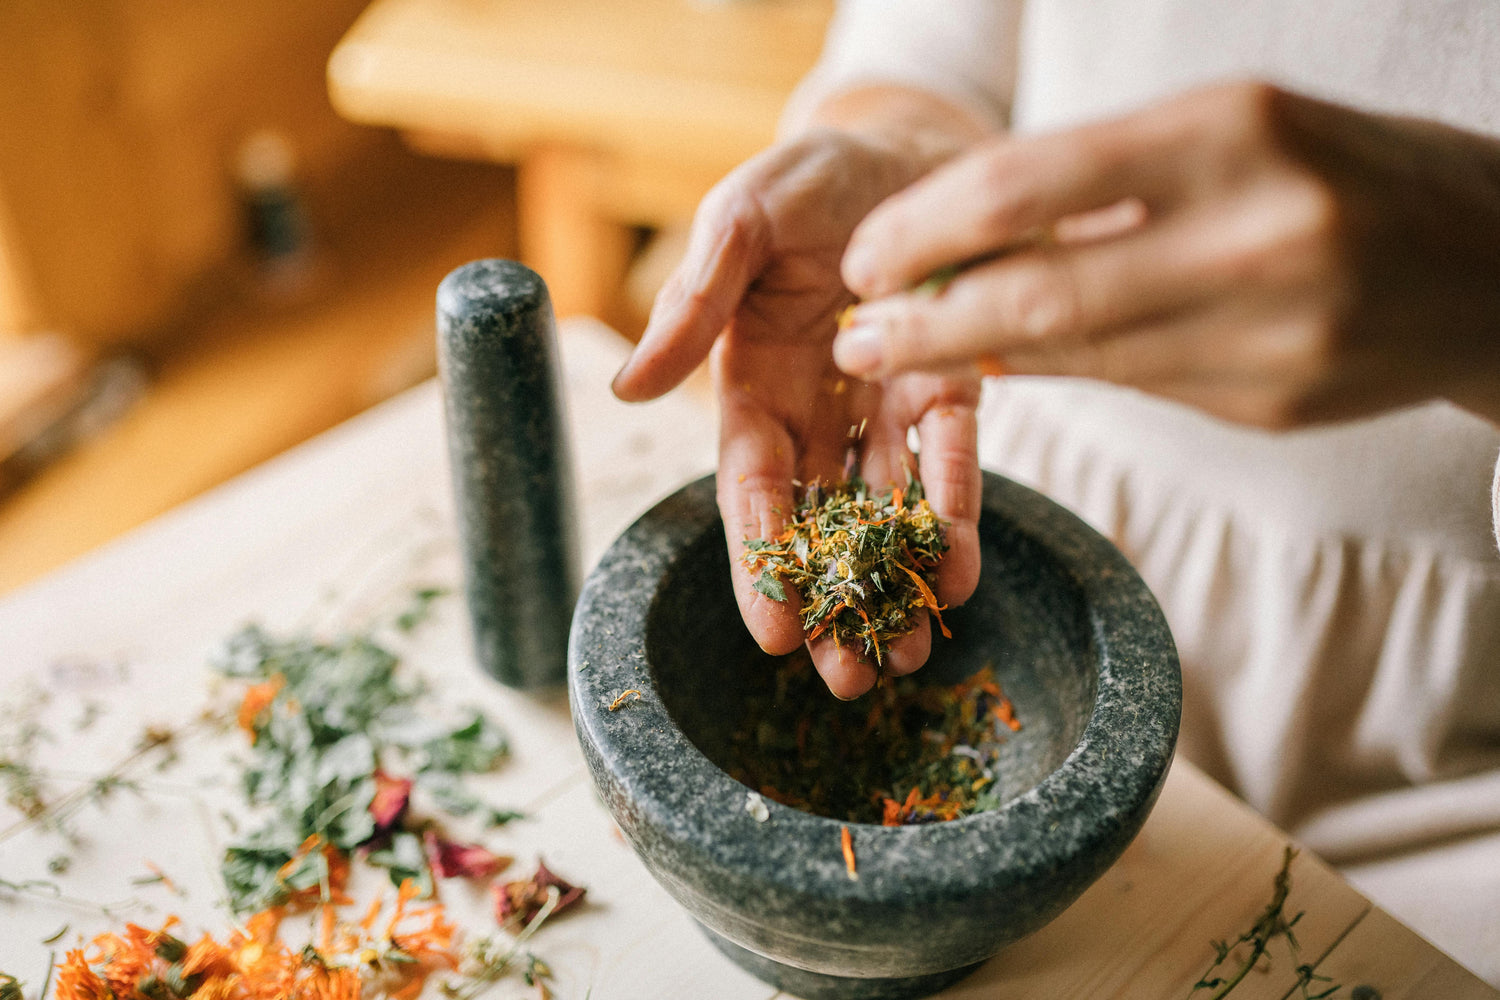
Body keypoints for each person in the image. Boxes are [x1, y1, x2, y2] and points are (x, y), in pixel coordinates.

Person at [611, 0, 1500, 983]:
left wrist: (1478, 269)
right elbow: (933, 50)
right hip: (978, 438)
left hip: (1435, 790)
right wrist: (899, 150)